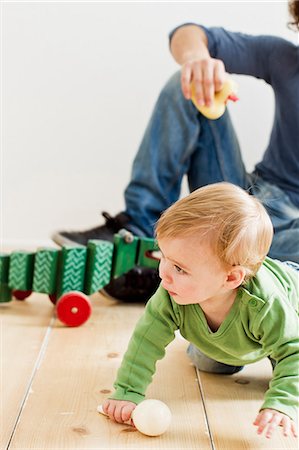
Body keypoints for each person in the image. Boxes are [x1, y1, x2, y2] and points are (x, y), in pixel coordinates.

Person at [52, 0, 299, 302]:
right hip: (243, 198)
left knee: (275, 264)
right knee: (190, 84)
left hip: (285, 234)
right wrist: (197, 60)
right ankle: (140, 232)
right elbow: (188, 33)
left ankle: (193, 277)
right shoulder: (284, 58)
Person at [102, 182, 299, 439]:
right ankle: (231, 343)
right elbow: (145, 340)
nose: (163, 274)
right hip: (242, 337)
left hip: (290, 307)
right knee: (208, 363)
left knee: (286, 356)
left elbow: (294, 351)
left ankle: (273, 351)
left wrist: (283, 403)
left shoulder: (265, 303)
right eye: (163, 257)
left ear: (230, 279)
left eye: (180, 268)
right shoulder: (171, 293)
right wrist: (128, 391)